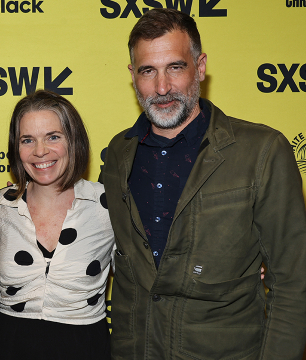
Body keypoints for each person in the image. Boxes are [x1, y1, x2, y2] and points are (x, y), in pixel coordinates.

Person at [100, 8, 306, 359]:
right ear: (133, 75)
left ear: (201, 66)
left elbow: (293, 283)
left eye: (175, 67)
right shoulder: (118, 153)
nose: (161, 87)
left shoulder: (262, 151)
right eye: (148, 71)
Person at [0, 90, 113, 359]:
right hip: (8, 347)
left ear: (73, 141)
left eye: (53, 137)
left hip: (85, 347)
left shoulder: (107, 205)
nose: (40, 151)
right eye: (27, 140)